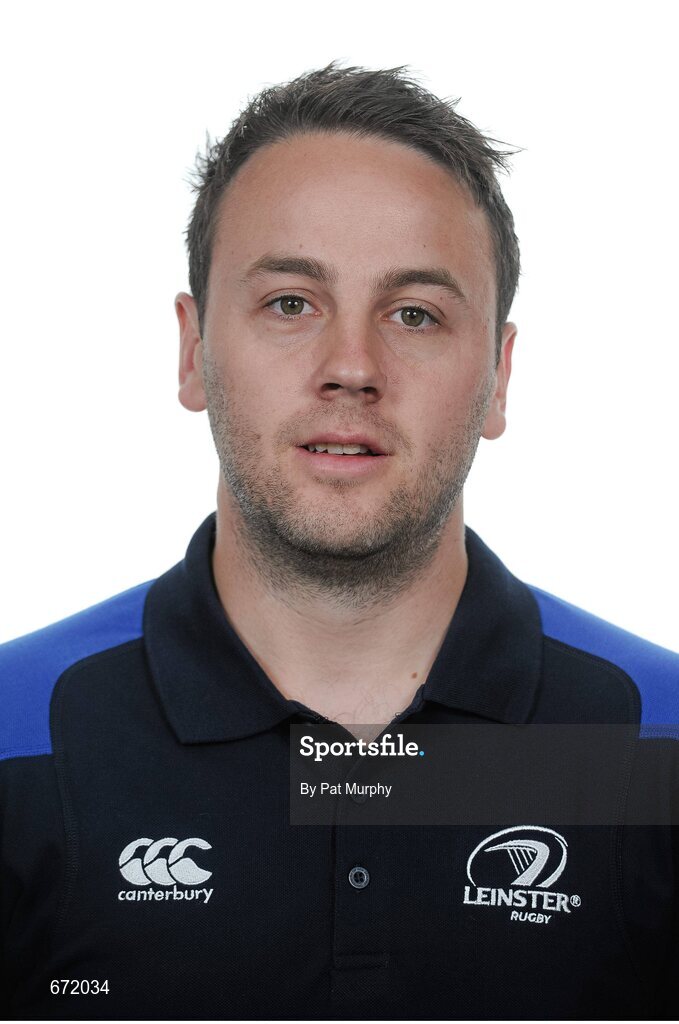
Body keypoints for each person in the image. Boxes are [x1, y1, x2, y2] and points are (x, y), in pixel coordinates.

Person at [1, 63, 678, 1022]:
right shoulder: (17, 729)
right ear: (193, 351)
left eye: (414, 314)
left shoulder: (657, 740)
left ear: (497, 377)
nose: (351, 366)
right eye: (290, 302)